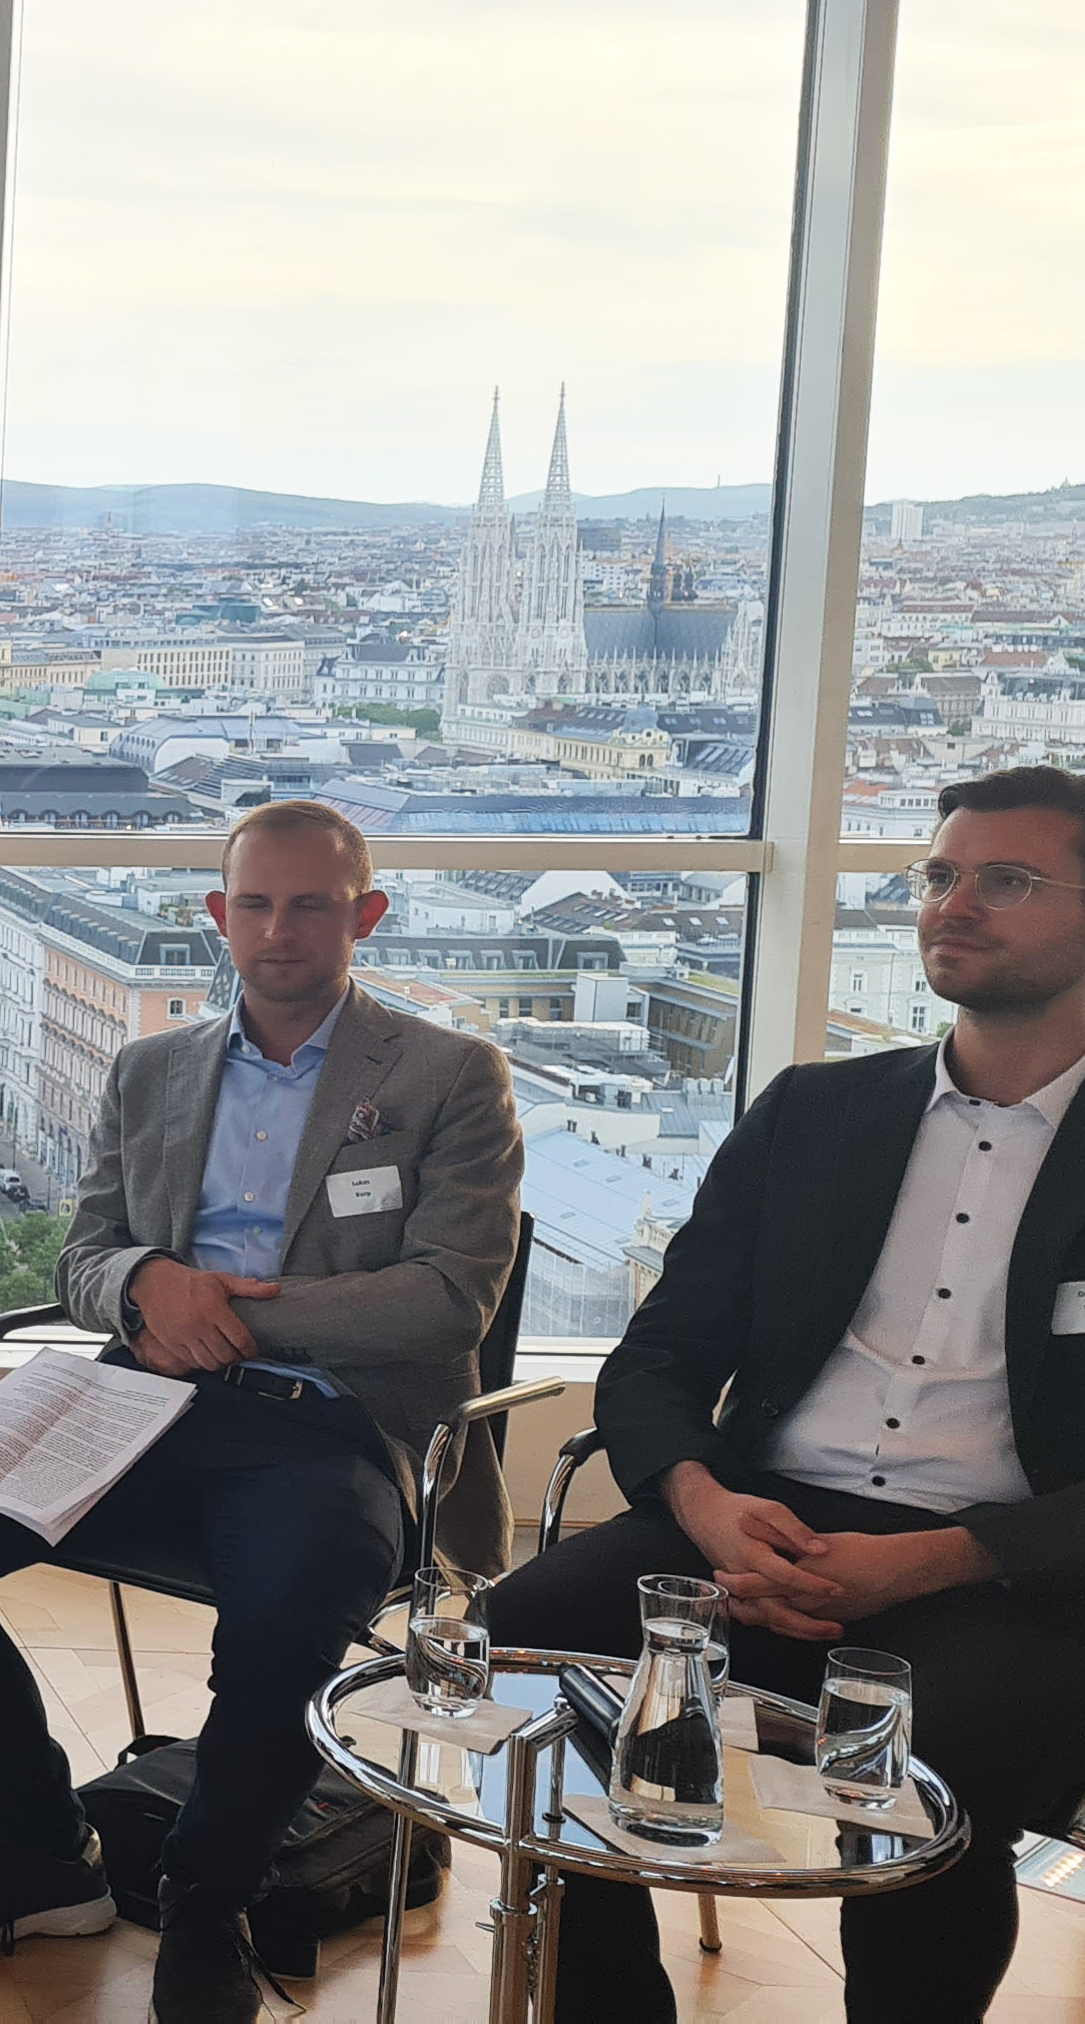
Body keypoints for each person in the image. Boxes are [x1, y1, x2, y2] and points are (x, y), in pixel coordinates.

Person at [0, 800, 521, 2023]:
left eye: (311, 905)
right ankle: (46, 1850)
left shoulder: (447, 1076)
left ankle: (210, 1900)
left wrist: (233, 1316)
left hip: (334, 1422)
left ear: (365, 916)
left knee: (286, 1610)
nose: (279, 930)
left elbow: (447, 1300)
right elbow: (84, 1258)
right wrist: (143, 1286)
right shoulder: (151, 1067)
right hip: (141, 1399)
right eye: (254, 904)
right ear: (219, 915)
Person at [489, 765, 1085, 2024]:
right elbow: (656, 1358)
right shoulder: (818, 1113)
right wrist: (704, 1503)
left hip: (1008, 1568)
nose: (952, 905)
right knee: (522, 1646)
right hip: (757, 1518)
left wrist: (935, 1561)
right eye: (940, 874)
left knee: (925, 1770)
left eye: (1007, 881)